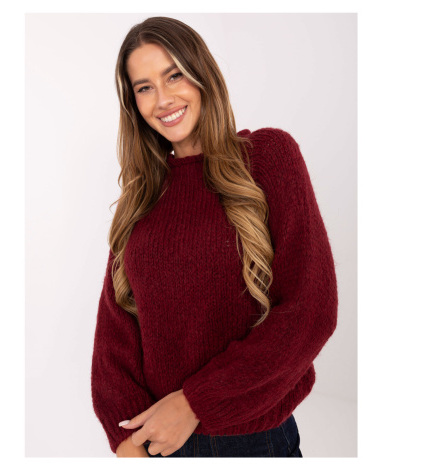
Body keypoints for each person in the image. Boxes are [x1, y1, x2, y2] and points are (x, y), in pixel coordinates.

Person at [90, 16, 338, 458]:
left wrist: (195, 402)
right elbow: (115, 332)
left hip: (255, 441)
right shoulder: (141, 196)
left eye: (174, 75)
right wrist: (126, 439)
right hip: (156, 443)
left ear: (202, 73)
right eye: (144, 87)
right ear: (133, 103)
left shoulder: (268, 158)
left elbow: (311, 309)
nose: (163, 99)